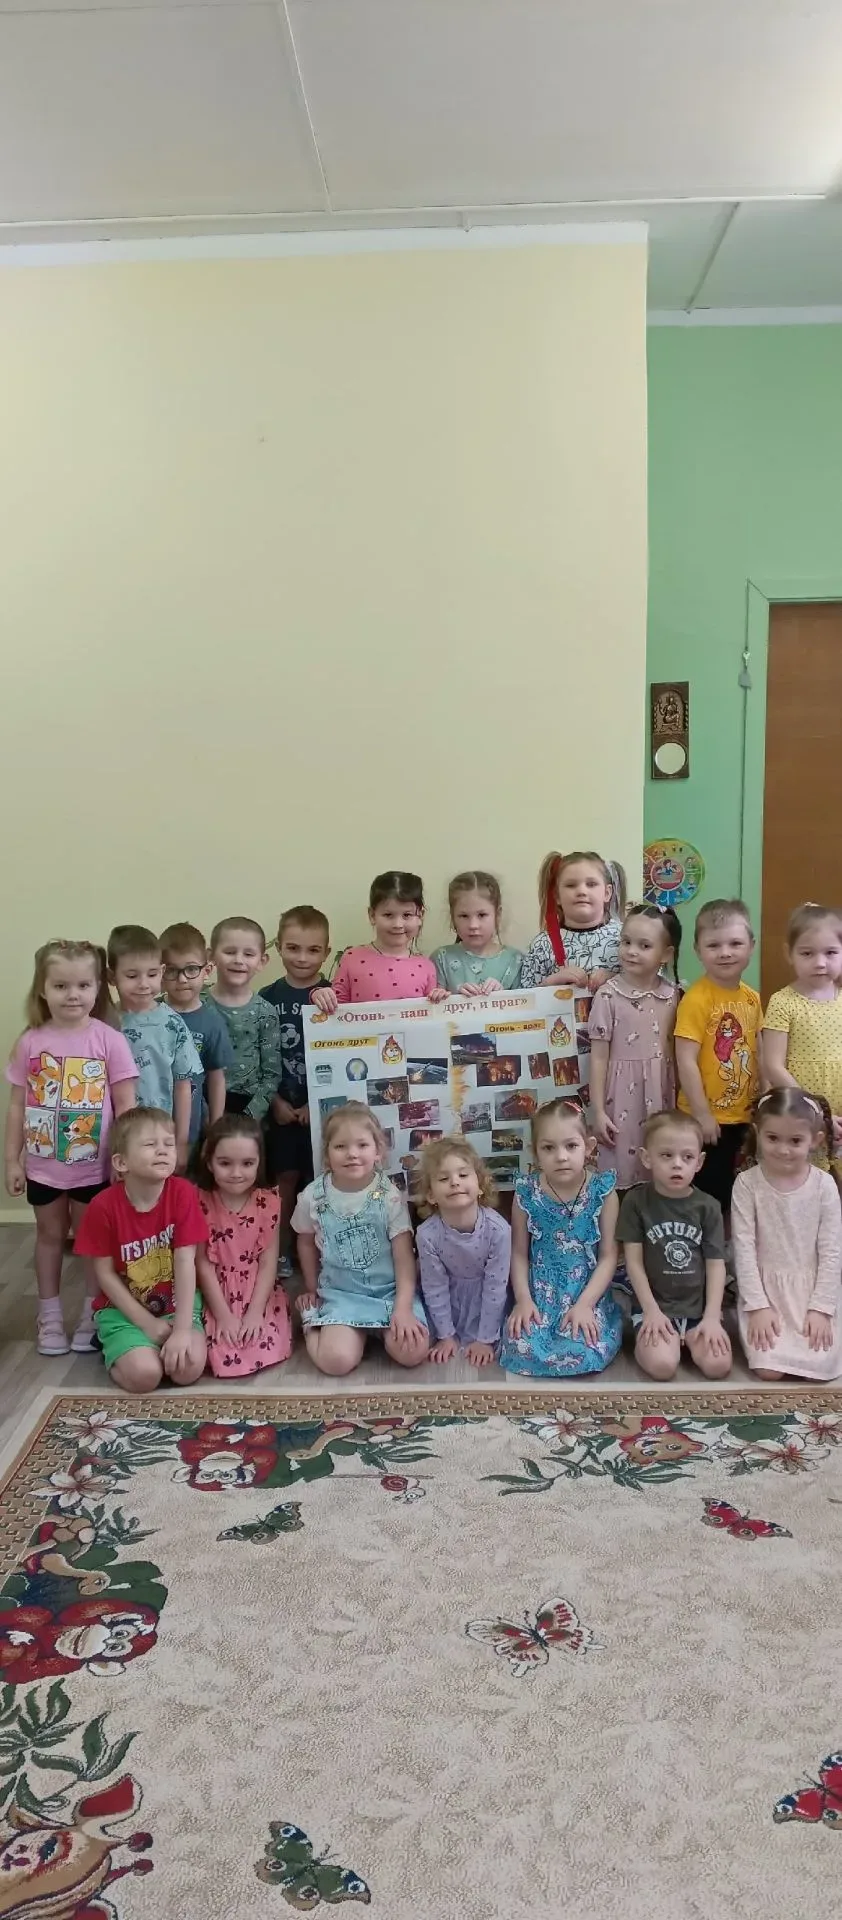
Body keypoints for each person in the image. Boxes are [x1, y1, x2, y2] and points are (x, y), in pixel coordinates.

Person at [4, 939, 138, 1355]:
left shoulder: (109, 1040)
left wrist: (124, 1160)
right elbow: (17, 1106)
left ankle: (91, 1314)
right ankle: (48, 1316)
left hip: (94, 1168)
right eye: (61, 986)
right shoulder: (30, 1041)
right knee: (48, 1237)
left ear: (98, 988)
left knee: (90, 1241)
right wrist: (12, 1160)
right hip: (42, 1167)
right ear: (42, 989)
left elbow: (126, 1105)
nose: (72, 995)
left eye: (83, 985)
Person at [74, 1106, 208, 1392]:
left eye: (169, 1144)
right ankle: (116, 1347)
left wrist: (182, 1330)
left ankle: (147, 1349)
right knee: (146, 1376)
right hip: (123, 1311)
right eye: (150, 1144)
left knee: (188, 1369)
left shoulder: (184, 1193)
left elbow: (186, 1261)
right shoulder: (102, 1206)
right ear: (121, 1162)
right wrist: (147, 1324)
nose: (163, 1151)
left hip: (175, 1305)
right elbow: (104, 1275)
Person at [292, 1101, 430, 1376]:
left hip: (388, 1293)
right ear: (327, 1154)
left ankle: (374, 1332)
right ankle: (314, 1327)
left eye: (362, 1145)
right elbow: (305, 1242)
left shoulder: (389, 1196)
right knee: (336, 1362)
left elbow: (404, 1257)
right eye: (340, 1146)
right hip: (341, 1295)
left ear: (378, 1151)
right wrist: (311, 1288)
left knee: (413, 1352)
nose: (352, 1154)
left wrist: (403, 1309)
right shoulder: (312, 1197)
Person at [498, 1098, 622, 1377]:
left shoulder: (603, 1192)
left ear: (589, 1147)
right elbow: (518, 1253)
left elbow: (608, 1256)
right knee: (521, 1345)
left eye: (571, 1146)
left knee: (584, 1347)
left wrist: (585, 1305)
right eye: (548, 1148)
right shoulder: (526, 1193)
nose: (561, 1156)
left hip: (586, 1290)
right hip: (541, 1291)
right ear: (535, 1152)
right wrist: (523, 1300)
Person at [732, 1088, 842, 1381]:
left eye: (795, 1141)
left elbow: (832, 1252)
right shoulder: (747, 1184)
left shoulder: (824, 1186)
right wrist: (758, 1306)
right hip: (766, 1293)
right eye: (773, 1138)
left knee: (817, 1371)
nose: (783, 1149)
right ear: (758, 1133)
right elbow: (743, 1248)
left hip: (811, 1293)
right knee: (768, 1370)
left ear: (815, 1140)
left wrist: (821, 1309)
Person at [618, 1109, 731, 1381]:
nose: (677, 1164)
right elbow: (633, 1263)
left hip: (698, 1311)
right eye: (666, 1155)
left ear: (699, 1162)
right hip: (654, 1308)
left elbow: (716, 1265)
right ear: (647, 1158)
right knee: (663, 1366)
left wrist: (712, 1317)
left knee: (718, 1366)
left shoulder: (708, 1207)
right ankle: (656, 1341)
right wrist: (651, 1311)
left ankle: (688, 1338)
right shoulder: (636, 1202)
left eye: (687, 1157)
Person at [674, 898, 761, 1217]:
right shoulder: (696, 1000)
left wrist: (763, 1102)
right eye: (714, 945)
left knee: (738, 1192)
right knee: (709, 1194)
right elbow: (685, 1059)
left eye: (735, 943)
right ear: (698, 950)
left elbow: (759, 1049)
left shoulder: (752, 998)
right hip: (707, 1119)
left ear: (751, 946)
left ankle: (731, 1242)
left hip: (744, 1115)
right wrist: (702, 1114)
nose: (725, 952)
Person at [588, 903, 682, 1189]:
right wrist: (597, 1110)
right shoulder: (608, 996)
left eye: (644, 945)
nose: (631, 951)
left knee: (661, 1166)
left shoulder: (674, 995)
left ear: (666, 954)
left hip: (661, 1094)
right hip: (621, 1100)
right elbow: (598, 1058)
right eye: (626, 942)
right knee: (620, 1174)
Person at [260, 905, 331, 1277]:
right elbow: (256, 1057)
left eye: (313, 950)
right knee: (284, 1181)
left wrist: (314, 1104)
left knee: (325, 1181)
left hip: (324, 1110)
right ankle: (280, 1251)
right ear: (278, 948)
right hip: (282, 1109)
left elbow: (347, 1053)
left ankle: (323, 1253)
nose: (302, 958)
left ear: (327, 952)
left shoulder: (334, 997)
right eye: (293, 948)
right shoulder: (266, 997)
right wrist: (274, 1101)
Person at [195, 1114, 292, 1378]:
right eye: (225, 1163)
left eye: (247, 1163)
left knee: (261, 1340)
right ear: (209, 1162)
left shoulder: (269, 1202)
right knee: (216, 1347)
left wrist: (254, 1313)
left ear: (259, 1162)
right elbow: (202, 1264)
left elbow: (268, 1263)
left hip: (257, 1291)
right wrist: (223, 1315)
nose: (236, 1173)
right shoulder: (198, 1201)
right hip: (215, 1292)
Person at [108, 924, 201, 1172]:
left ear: (161, 971)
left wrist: (181, 1142)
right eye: (132, 976)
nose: (143, 984)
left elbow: (183, 1086)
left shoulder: (172, 1024)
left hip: (158, 1139)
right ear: (111, 977)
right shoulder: (105, 1024)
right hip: (111, 1138)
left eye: (151, 974)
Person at [415, 1136, 511, 1366]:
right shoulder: (427, 1234)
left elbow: (496, 1287)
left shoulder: (498, 1230)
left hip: (488, 1302)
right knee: (417, 1342)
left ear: (480, 1185)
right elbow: (434, 1287)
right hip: (446, 1303)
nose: (455, 1182)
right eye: (443, 1178)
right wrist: (446, 1335)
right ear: (431, 1195)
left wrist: (485, 1339)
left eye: (463, 1175)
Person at [761, 903, 842, 1173]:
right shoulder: (783, 1002)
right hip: (802, 1108)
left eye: (831, 952)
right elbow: (773, 1065)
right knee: (807, 1178)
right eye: (807, 953)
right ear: (790, 953)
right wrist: (816, 1110)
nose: (820, 963)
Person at [311, 872, 446, 1012]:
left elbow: (432, 1016)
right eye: (388, 915)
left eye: (407, 915)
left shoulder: (426, 966)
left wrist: (440, 1000)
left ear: (420, 916)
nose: (398, 924)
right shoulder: (352, 958)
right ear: (372, 915)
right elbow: (336, 1008)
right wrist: (320, 995)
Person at [160, 921, 233, 1151]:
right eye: (172, 970)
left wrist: (216, 1128)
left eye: (191, 969)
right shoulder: (149, 1016)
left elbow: (216, 1078)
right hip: (149, 1125)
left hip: (192, 1127)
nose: (182, 979)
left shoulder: (212, 1022)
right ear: (160, 972)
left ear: (207, 970)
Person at [207, 917, 281, 1120]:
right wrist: (203, 1114)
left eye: (248, 954)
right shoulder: (197, 1005)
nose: (239, 960)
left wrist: (249, 1118)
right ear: (211, 956)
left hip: (247, 1111)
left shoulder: (265, 1012)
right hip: (202, 1106)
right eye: (230, 952)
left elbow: (272, 1075)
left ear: (262, 961)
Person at [520, 851, 624, 991]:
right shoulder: (542, 945)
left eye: (591, 884)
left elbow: (648, 984)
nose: (581, 891)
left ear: (607, 893)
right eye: (571, 885)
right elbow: (525, 998)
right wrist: (550, 983)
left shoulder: (625, 937)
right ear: (557, 896)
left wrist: (615, 978)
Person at [430, 871, 524, 994]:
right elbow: (432, 1001)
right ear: (453, 917)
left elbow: (526, 1002)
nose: (473, 925)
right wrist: (453, 998)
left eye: (482, 915)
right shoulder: (441, 959)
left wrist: (503, 996)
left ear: (497, 914)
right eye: (464, 916)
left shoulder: (515, 960)